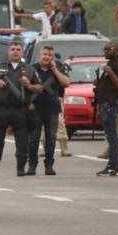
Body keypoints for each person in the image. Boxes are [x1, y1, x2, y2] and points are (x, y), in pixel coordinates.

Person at [0, 40, 42, 177]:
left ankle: (21, 168)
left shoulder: (29, 69)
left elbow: (39, 88)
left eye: (18, 49)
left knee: (22, 140)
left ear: (22, 52)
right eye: (12, 49)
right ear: (8, 52)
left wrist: (29, 86)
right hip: (0, 108)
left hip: (20, 109)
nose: (15, 51)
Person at [27, 46, 70, 176]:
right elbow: (25, 87)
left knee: (51, 138)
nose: (47, 57)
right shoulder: (32, 69)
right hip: (35, 107)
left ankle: (49, 165)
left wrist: (54, 69)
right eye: (45, 54)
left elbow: (66, 83)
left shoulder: (57, 68)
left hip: (52, 108)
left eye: (49, 55)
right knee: (33, 138)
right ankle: (32, 165)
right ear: (40, 55)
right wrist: (28, 103)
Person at [94, 43, 118, 176]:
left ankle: (113, 165)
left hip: (111, 104)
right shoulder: (112, 63)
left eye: (108, 49)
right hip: (105, 104)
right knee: (110, 136)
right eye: (104, 50)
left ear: (116, 50)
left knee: (112, 136)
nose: (105, 52)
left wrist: (110, 72)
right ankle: (112, 165)